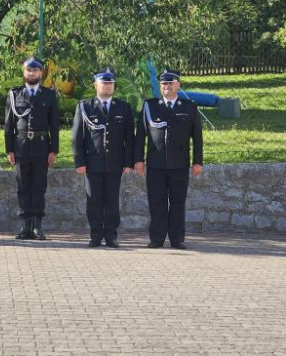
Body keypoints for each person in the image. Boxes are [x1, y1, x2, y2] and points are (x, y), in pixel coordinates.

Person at [134, 69, 203, 249]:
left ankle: (177, 239)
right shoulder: (150, 106)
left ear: (178, 85)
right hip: (155, 164)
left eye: (171, 82)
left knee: (177, 203)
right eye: (164, 83)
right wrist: (138, 160)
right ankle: (156, 238)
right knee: (156, 201)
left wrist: (198, 162)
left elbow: (197, 137)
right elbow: (141, 135)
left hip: (179, 164)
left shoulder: (189, 107)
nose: (167, 86)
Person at [72, 67, 135, 248]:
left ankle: (111, 236)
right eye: (104, 83)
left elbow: (129, 138)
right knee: (94, 200)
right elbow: (77, 137)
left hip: (115, 163)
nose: (107, 86)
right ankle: (95, 235)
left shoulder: (123, 107)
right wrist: (80, 161)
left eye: (110, 83)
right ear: (95, 85)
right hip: (92, 163)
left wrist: (128, 162)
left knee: (112, 201)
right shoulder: (84, 107)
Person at [4, 56, 60, 240]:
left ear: (41, 72)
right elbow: (8, 125)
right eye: (29, 70)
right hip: (20, 147)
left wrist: (54, 150)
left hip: (41, 147)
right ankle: (25, 226)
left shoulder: (49, 95)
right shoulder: (14, 94)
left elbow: (54, 125)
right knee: (23, 186)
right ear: (24, 72)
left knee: (39, 187)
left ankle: (37, 226)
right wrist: (9, 150)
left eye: (35, 70)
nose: (32, 73)